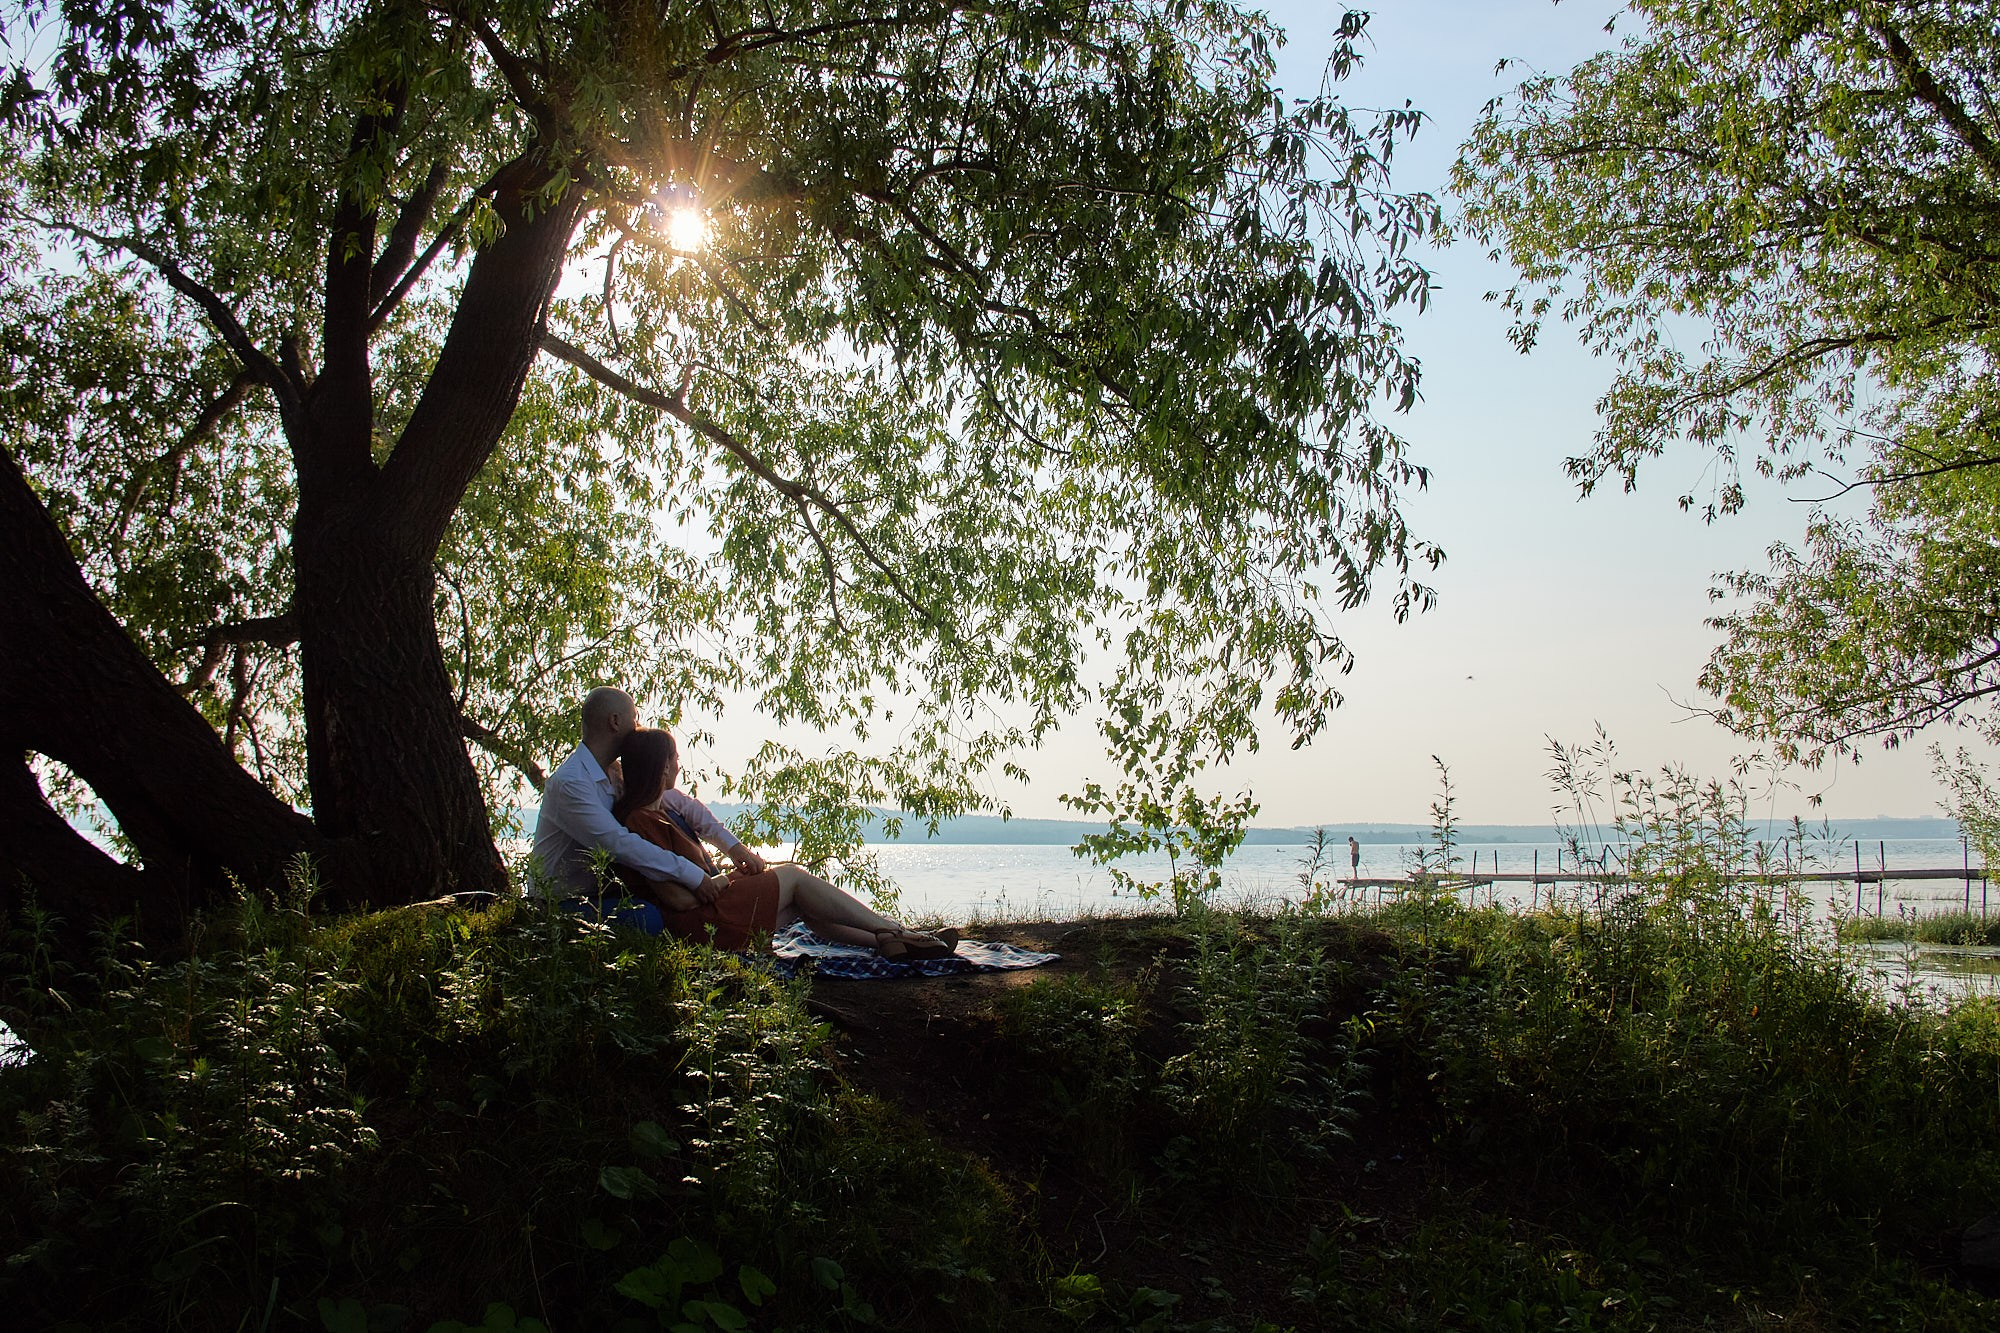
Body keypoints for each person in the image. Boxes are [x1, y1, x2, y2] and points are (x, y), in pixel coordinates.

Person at [614, 726, 957, 959]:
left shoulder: (664, 811)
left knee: (802, 904)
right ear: (662, 767)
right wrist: (723, 880)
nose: (679, 765)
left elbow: (700, 822)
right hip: (700, 924)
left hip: (713, 909)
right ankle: (896, 930)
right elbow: (677, 897)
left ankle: (889, 942)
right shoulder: (640, 821)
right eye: (674, 758)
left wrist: (732, 867)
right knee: (792, 877)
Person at [529, 685, 716, 933]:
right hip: (564, 901)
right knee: (648, 918)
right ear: (615, 721)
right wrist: (692, 875)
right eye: (635, 718)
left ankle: (716, 902)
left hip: (609, 889)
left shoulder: (613, 772)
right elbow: (617, 844)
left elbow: (673, 800)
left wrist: (732, 847)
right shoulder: (571, 782)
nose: (638, 726)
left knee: (670, 817)